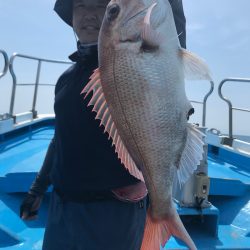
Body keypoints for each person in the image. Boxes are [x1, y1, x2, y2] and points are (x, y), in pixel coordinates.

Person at [20, 0, 187, 249]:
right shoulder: (66, 79)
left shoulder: (134, 61)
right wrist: (37, 188)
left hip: (115, 211)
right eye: (80, 6)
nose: (88, 15)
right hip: (62, 209)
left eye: (100, 6)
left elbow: (170, 41)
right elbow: (61, 138)